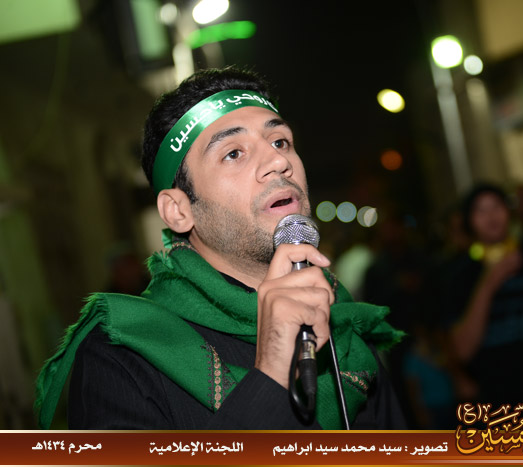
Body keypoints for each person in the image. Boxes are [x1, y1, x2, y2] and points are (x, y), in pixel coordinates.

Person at [35, 66, 405, 429]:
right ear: (179, 211)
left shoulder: (339, 319)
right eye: (233, 153)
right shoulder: (122, 355)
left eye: (280, 142)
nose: (278, 161)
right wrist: (272, 373)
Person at [448, 184, 523, 406]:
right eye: (481, 210)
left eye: (496, 206)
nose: (491, 216)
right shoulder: (461, 274)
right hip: (496, 396)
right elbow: (462, 349)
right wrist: (490, 282)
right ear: (469, 221)